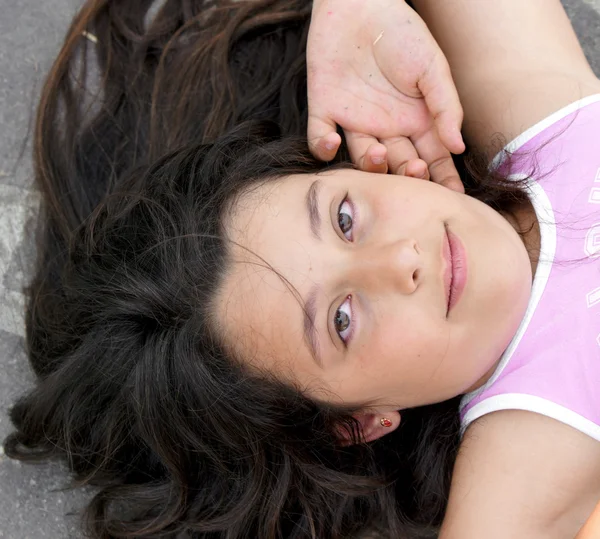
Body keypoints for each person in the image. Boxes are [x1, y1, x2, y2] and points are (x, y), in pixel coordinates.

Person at [2, 2, 598, 539]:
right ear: (359, 423)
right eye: (341, 320)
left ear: (359, 168)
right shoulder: (525, 463)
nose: (400, 262)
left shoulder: (539, 112)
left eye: (344, 218)